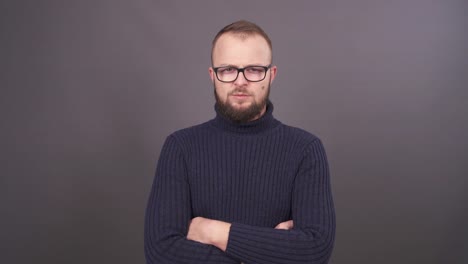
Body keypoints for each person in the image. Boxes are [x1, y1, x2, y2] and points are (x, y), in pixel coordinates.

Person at [144, 20, 335, 264]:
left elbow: (314, 251)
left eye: (254, 69)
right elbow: (161, 253)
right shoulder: (180, 147)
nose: (240, 81)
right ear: (213, 76)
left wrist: (212, 230)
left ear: (271, 75)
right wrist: (268, 252)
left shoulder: (306, 149)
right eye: (228, 70)